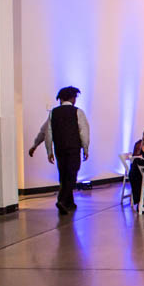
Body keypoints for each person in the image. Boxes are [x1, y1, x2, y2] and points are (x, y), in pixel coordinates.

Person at [44, 86, 90, 215]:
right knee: (72, 175)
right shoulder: (78, 112)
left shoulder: (53, 112)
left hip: (59, 148)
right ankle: (63, 200)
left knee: (63, 175)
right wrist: (85, 148)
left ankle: (69, 203)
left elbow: (48, 133)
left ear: (61, 98)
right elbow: (84, 132)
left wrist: (49, 150)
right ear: (73, 98)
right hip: (73, 148)